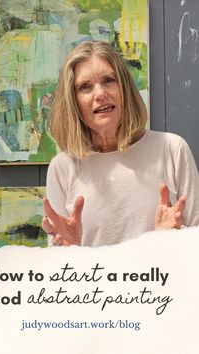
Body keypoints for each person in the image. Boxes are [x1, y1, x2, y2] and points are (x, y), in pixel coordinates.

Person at [42, 41, 199, 247]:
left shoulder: (172, 149)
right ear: (74, 102)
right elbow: (60, 267)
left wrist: (168, 243)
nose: (99, 94)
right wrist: (70, 250)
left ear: (124, 88)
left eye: (108, 80)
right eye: (85, 87)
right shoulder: (62, 167)